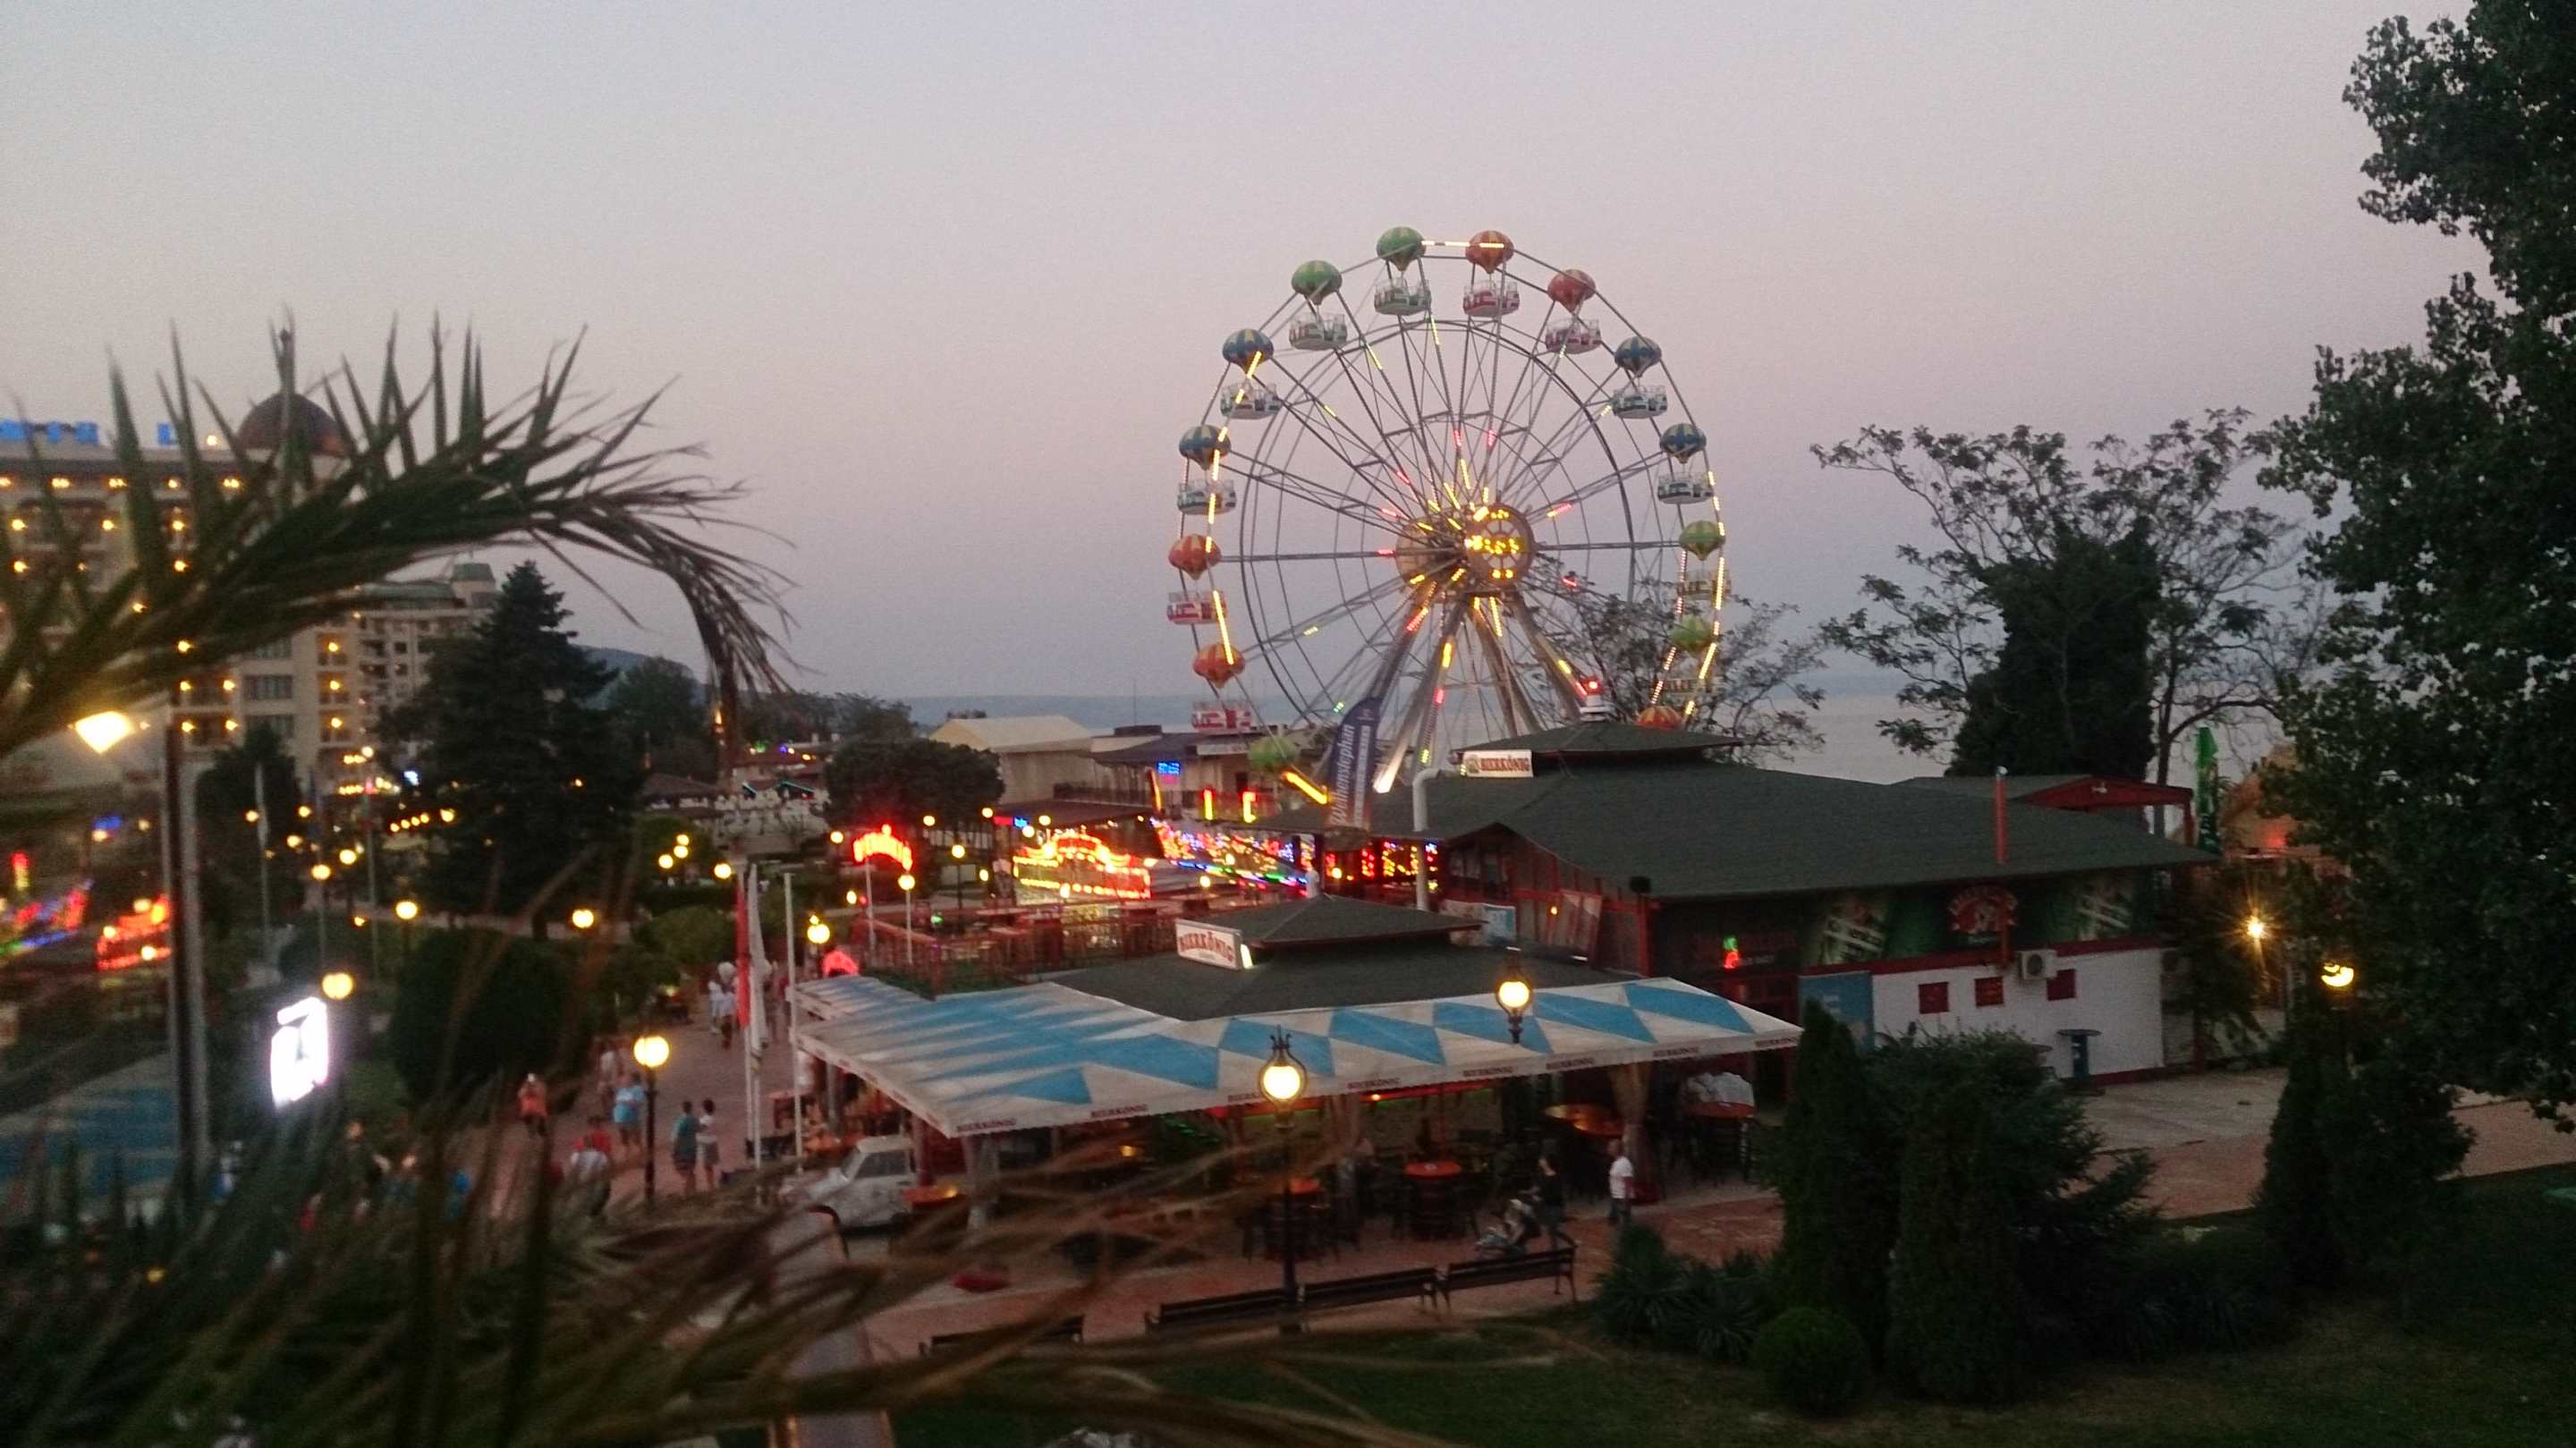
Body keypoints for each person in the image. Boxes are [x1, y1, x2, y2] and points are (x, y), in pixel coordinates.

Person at [1535, 1145, 1571, 1247]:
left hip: (1555, 1207)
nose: (1540, 1161)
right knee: (1552, 1231)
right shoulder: (1542, 1175)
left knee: (1552, 1231)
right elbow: (1542, 1189)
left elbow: (1555, 1194)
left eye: (1542, 1159)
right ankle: (1569, 1243)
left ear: (1547, 1162)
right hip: (1546, 1206)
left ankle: (1555, 1251)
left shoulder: (1556, 1177)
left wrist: (1541, 1198)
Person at [567, 1138, 613, 1217]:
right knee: (601, 1199)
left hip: (585, 1183)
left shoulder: (575, 1156)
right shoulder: (601, 1155)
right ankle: (598, 1214)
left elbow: (575, 1171)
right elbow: (607, 1168)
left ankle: (592, 1215)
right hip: (599, 1183)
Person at [670, 1099, 701, 1192]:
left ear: (682, 1109)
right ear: (691, 1108)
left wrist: (673, 1150)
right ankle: (694, 1192)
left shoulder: (681, 1121)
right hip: (692, 1149)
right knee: (690, 1172)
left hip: (682, 1150)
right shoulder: (694, 1120)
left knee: (684, 1174)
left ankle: (686, 1194)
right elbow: (699, 1130)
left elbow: (676, 1137)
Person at [612, 1075, 646, 1155]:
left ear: (631, 1080)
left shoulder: (637, 1089)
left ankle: (640, 1150)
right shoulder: (621, 1091)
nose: (624, 1083)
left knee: (635, 1137)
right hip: (619, 1118)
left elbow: (639, 1103)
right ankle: (627, 1150)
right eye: (623, 1081)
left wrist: (629, 1102)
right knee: (623, 1136)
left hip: (631, 1118)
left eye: (626, 1080)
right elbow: (616, 1101)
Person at [1607, 1141, 1635, 1226]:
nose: (1609, 1149)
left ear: (1617, 1149)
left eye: (1611, 1147)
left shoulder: (1624, 1163)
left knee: (1623, 1223)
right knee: (1614, 1221)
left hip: (1621, 1197)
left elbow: (1628, 1183)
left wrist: (1625, 1201)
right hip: (1616, 1197)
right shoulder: (1616, 1163)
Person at [698, 1099, 723, 1185]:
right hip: (710, 1143)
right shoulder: (710, 1118)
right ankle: (711, 1184)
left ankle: (710, 1185)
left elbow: (700, 1129)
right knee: (709, 1166)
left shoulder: (706, 1119)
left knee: (707, 1166)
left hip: (707, 1145)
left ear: (704, 1109)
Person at [516, 1073, 549, 1139]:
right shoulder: (525, 1087)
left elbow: (542, 1093)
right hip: (528, 1110)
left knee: (541, 1124)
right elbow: (520, 1095)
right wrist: (527, 1089)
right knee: (527, 1120)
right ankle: (532, 1132)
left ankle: (543, 1135)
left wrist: (533, 1090)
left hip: (538, 1109)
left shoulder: (540, 1085)